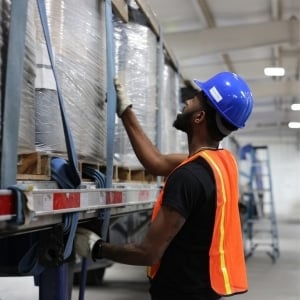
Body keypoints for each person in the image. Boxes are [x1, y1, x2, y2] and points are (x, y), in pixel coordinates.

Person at [75, 71, 254, 300]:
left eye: (195, 98)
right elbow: (157, 162)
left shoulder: (188, 178)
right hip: (204, 292)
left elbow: (147, 253)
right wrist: (125, 110)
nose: (187, 101)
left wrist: (96, 248)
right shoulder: (221, 164)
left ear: (199, 117)